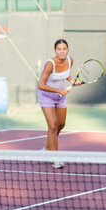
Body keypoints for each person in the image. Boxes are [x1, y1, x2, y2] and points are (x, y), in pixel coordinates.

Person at [38, 39, 81, 168]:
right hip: (46, 95)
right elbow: (41, 85)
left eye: (64, 49)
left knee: (61, 125)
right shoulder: (50, 64)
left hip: (60, 95)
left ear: (67, 50)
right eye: (59, 49)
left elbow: (66, 75)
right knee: (52, 125)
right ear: (55, 50)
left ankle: (46, 149)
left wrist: (72, 80)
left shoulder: (70, 60)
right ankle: (55, 158)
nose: (62, 52)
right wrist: (58, 90)